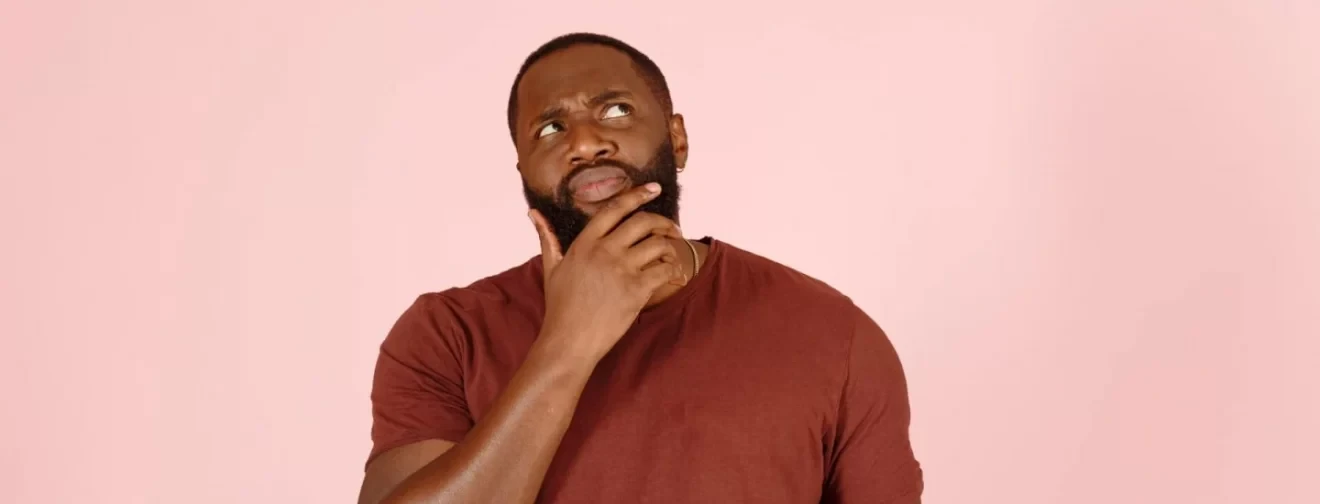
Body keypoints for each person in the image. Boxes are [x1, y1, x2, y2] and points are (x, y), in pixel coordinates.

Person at [358, 32, 923, 504]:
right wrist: (568, 344)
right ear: (524, 170)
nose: (585, 142)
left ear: (676, 140)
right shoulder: (445, 336)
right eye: (550, 129)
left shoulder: (833, 335)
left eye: (616, 110)